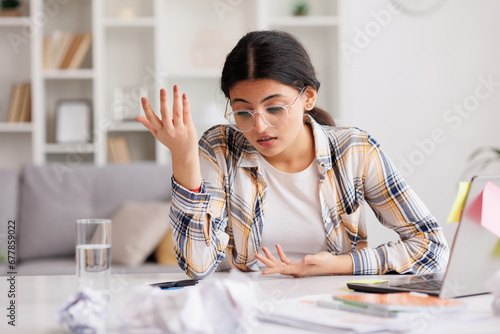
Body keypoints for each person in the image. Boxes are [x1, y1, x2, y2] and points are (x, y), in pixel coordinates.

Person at [136, 30, 449, 280]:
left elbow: (432, 247)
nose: (260, 126)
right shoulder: (220, 148)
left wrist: (339, 265)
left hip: (336, 302)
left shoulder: (355, 150)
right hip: (250, 307)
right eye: (243, 111)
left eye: (275, 108)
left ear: (308, 97)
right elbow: (197, 266)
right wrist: (184, 156)